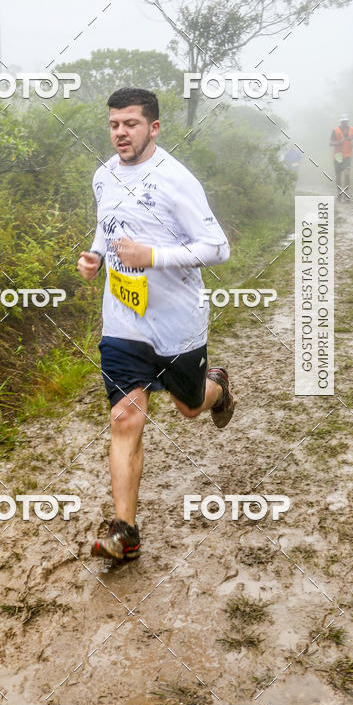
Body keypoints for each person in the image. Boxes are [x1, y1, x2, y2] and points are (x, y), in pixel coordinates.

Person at [76, 87, 234, 562]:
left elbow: (218, 248)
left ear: (154, 127)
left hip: (176, 322)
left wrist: (154, 257)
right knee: (126, 418)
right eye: (113, 125)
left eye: (130, 124)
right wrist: (95, 257)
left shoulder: (176, 180)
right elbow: (108, 225)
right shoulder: (103, 176)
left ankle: (218, 387)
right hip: (124, 322)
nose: (120, 133)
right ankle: (125, 530)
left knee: (189, 407)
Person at [330, 114, 353, 200]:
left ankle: (346, 193)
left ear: (348, 121)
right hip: (337, 155)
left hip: (347, 155)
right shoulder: (335, 130)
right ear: (341, 122)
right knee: (338, 175)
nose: (345, 123)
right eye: (343, 121)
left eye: (346, 121)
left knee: (347, 173)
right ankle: (339, 192)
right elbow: (330, 143)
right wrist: (339, 142)